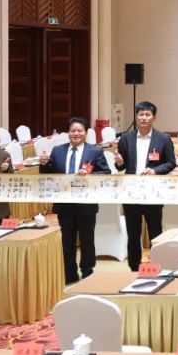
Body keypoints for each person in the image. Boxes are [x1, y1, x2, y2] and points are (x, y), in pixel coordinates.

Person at [39, 117, 111, 284]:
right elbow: (49, 173)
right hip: (64, 203)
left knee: (87, 240)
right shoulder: (58, 151)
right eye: (73, 131)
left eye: (80, 131)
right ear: (68, 133)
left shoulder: (94, 151)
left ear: (85, 133)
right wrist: (44, 164)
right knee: (67, 240)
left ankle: (87, 271)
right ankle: (69, 273)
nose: (76, 133)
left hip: (86, 203)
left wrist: (90, 174)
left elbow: (105, 173)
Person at [114, 101, 177, 271]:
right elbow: (121, 166)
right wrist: (119, 162)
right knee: (133, 233)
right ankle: (134, 268)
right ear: (136, 117)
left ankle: (157, 266)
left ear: (154, 117)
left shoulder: (163, 138)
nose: (143, 118)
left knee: (155, 231)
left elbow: (171, 163)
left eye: (147, 114)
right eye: (140, 114)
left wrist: (155, 171)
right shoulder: (126, 139)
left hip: (153, 192)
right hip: (131, 192)